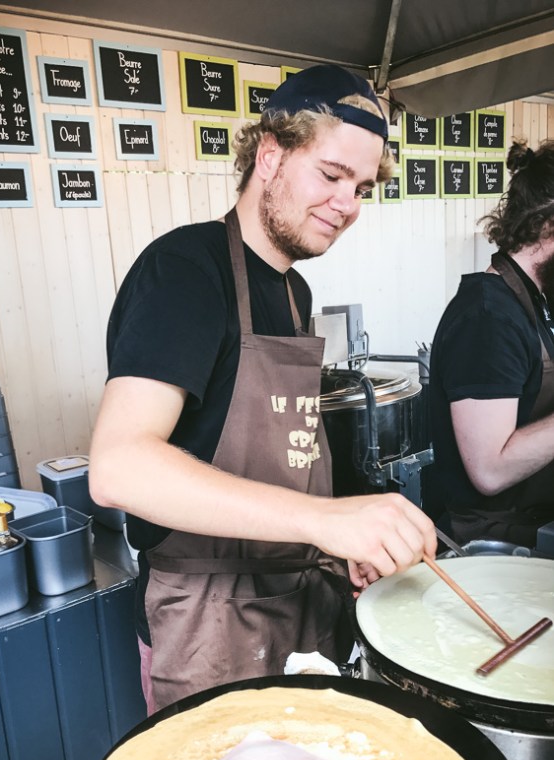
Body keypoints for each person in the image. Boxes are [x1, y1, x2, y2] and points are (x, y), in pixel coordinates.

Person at [89, 63, 436, 713]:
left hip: (302, 605)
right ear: (270, 156)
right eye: (331, 176)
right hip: (208, 627)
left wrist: (340, 547)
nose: (349, 205)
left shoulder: (291, 289)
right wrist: (326, 519)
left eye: (362, 188)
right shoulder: (187, 272)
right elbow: (118, 466)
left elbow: (283, 461)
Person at [429, 139, 554, 548]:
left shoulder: (535, 300)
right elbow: (490, 469)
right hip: (498, 542)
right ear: (547, 225)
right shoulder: (487, 320)